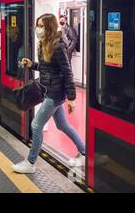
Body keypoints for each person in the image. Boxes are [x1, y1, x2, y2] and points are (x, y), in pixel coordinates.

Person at [12, 13, 86, 174]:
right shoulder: (44, 44)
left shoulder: (58, 46)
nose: (38, 29)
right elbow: (48, 68)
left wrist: (72, 98)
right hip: (49, 90)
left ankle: (30, 163)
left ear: (50, 27)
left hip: (55, 93)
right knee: (62, 125)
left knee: (36, 125)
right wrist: (32, 65)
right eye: (37, 25)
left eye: (42, 26)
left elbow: (67, 72)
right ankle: (84, 152)